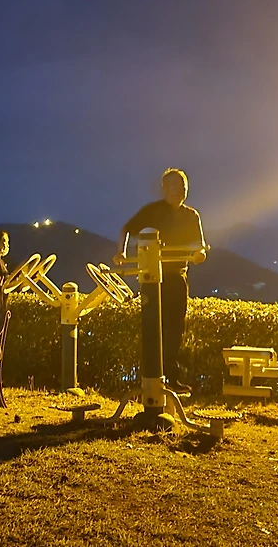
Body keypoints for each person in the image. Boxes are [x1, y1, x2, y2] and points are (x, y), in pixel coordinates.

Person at [114, 168, 208, 395]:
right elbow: (127, 229)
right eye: (172, 186)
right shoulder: (152, 211)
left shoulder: (192, 216)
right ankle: (148, 378)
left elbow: (200, 245)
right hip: (152, 280)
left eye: (182, 187)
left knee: (175, 329)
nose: (178, 191)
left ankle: (170, 379)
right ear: (164, 189)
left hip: (177, 277)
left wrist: (199, 254)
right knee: (153, 327)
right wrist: (121, 253)